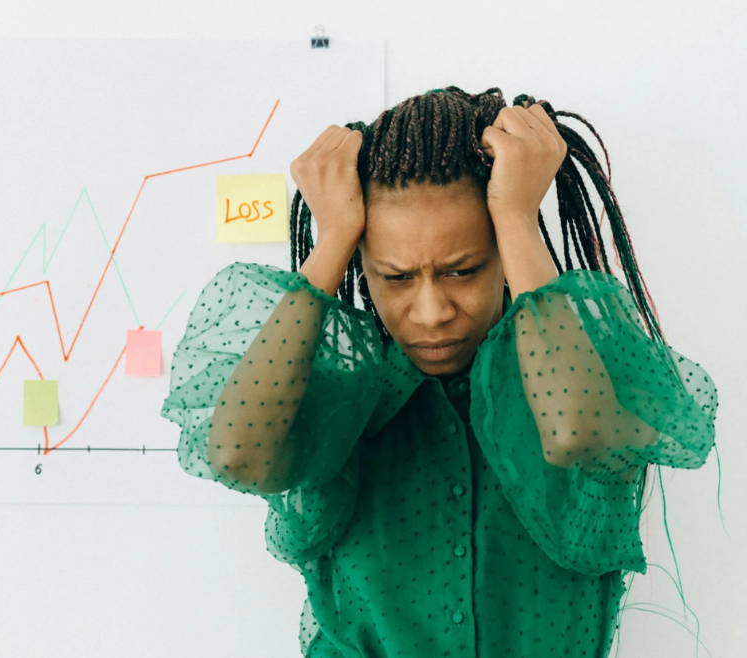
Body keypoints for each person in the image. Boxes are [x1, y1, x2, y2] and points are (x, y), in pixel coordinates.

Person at [160, 86, 718, 657]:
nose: (431, 313)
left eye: (462, 270)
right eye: (396, 277)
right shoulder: (340, 404)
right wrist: (333, 238)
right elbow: (236, 453)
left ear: (504, 253)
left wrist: (517, 214)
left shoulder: (587, 378)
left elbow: (580, 429)